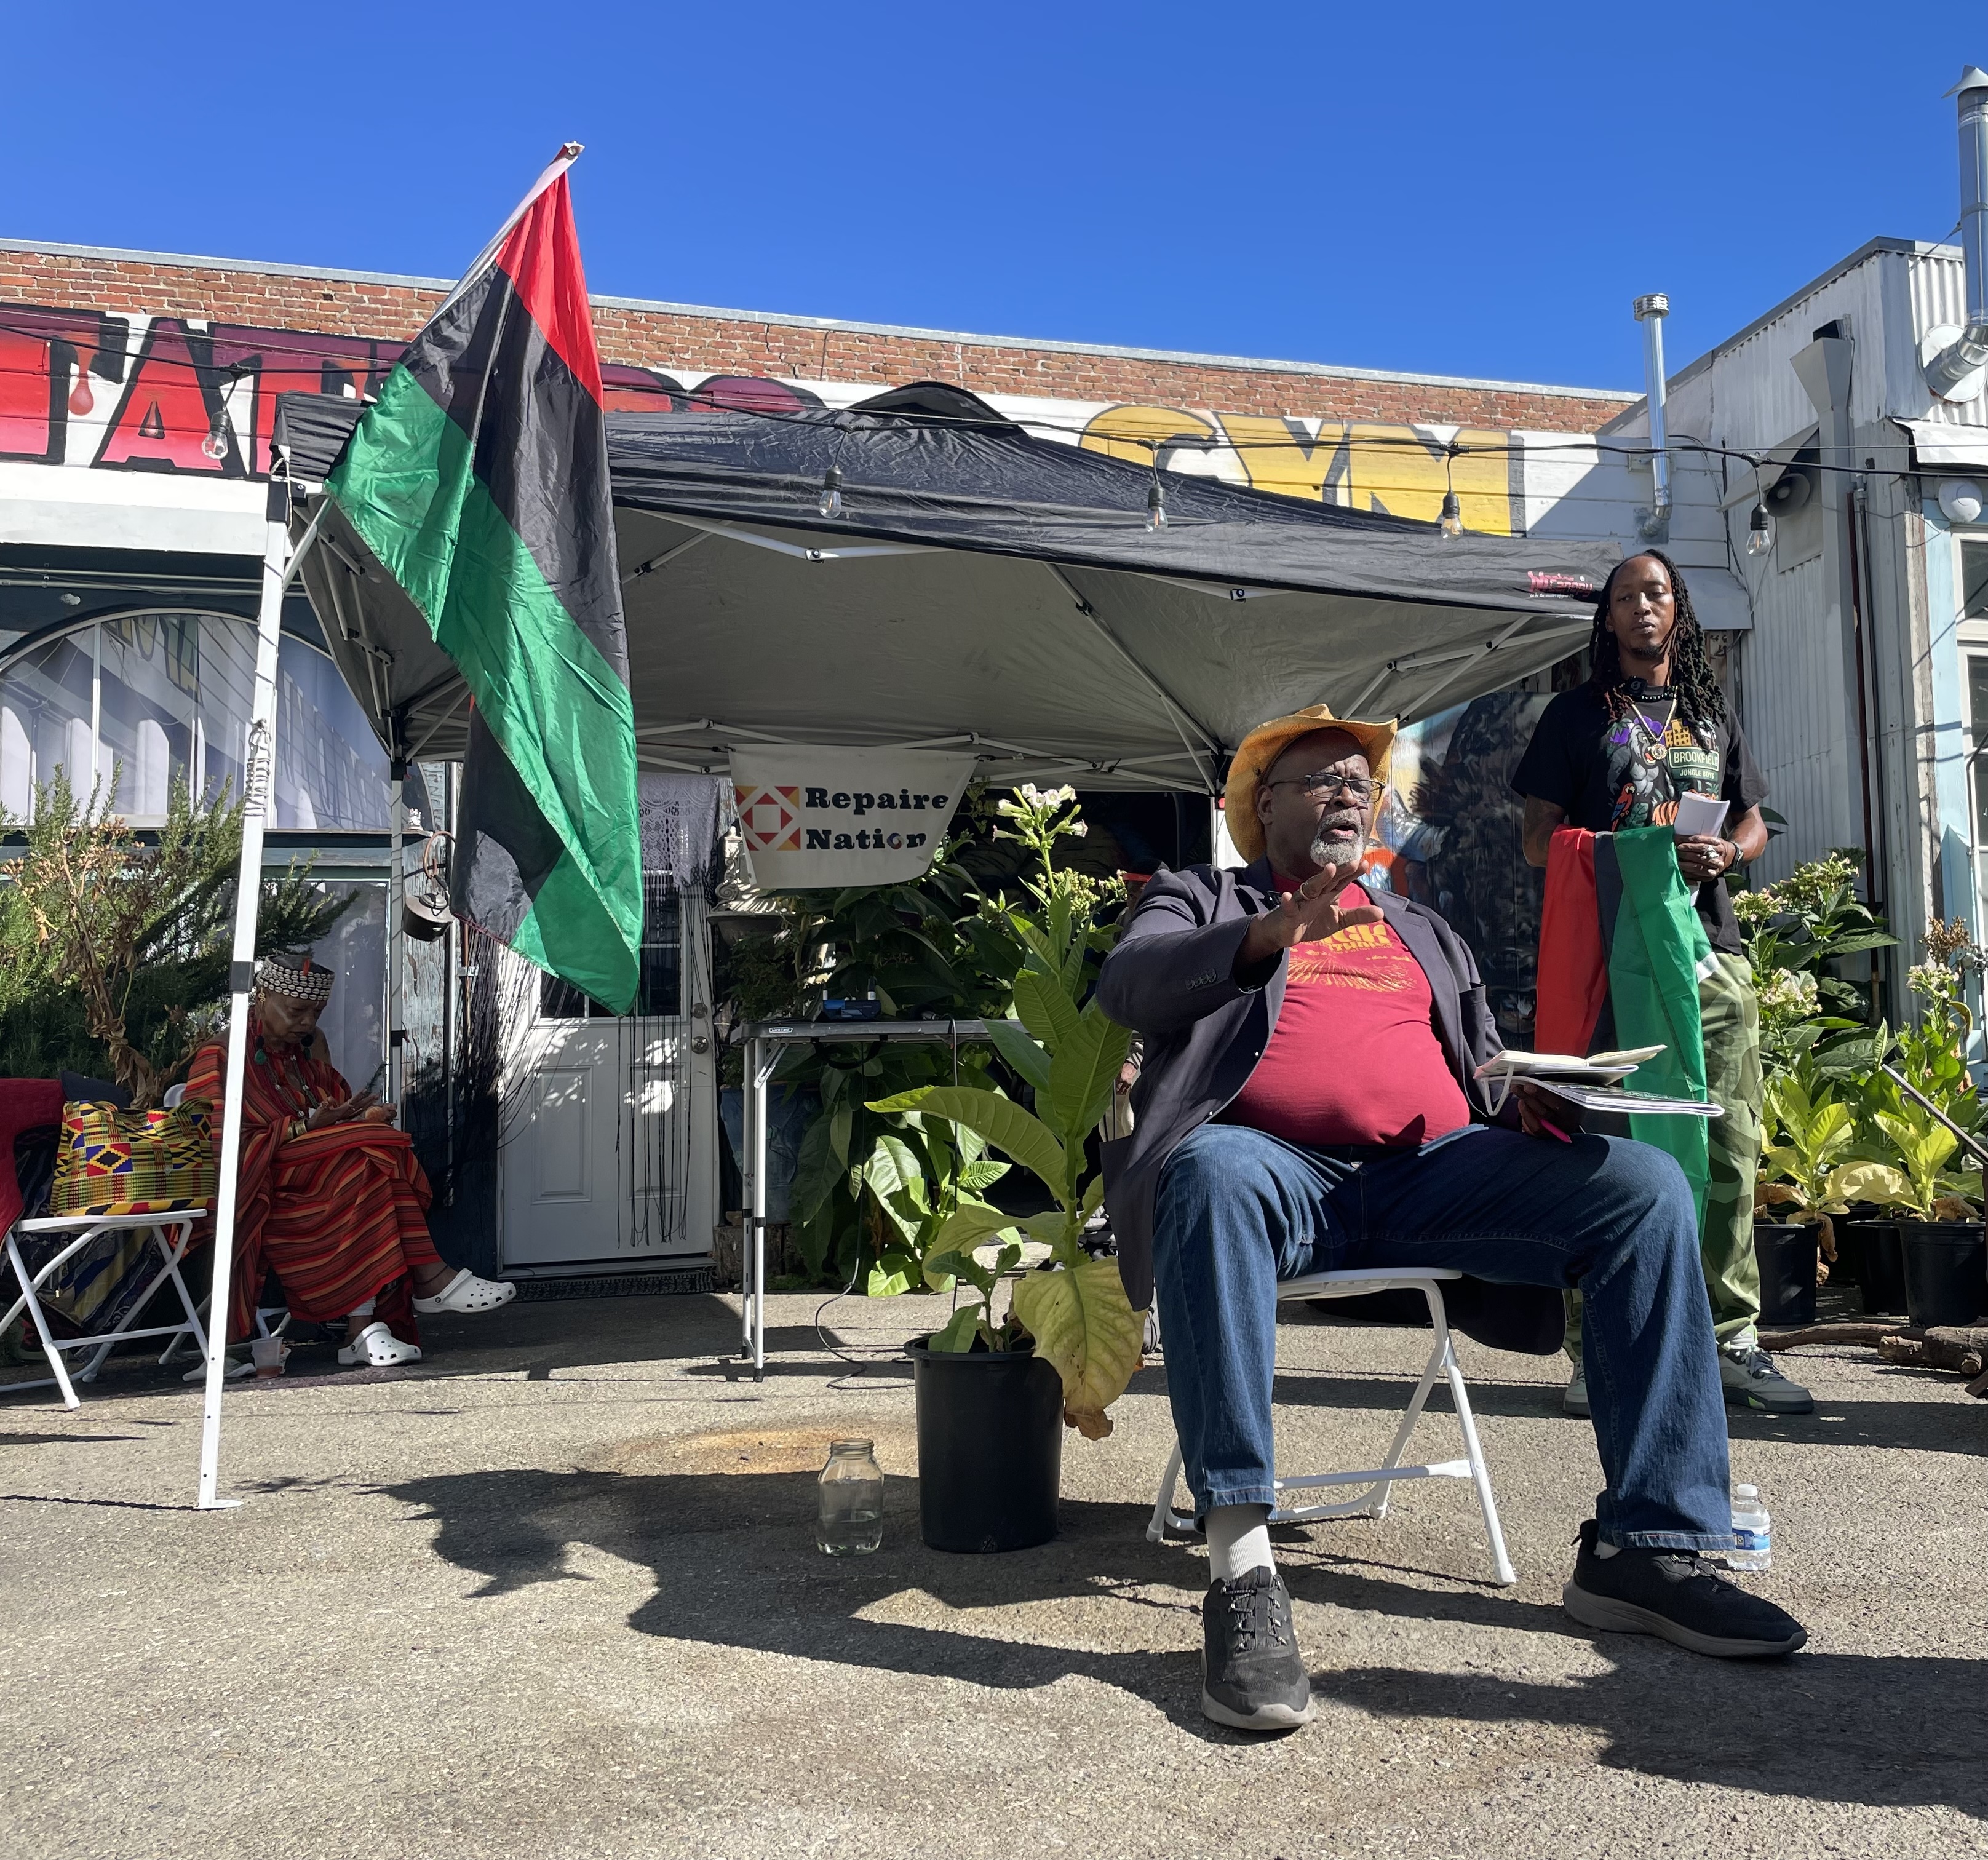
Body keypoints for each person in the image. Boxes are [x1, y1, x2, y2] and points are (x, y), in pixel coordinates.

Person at [1096, 704, 1806, 1735]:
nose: (1350, 792)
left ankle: (1644, 1546)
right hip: (1272, 1171)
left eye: (1361, 781)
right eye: (1323, 778)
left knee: (1642, 1190)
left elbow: (1474, 1064)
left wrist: (1526, 1098)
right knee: (1208, 1167)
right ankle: (1242, 1569)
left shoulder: (1420, 926)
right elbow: (1127, 985)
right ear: (1262, 807)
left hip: (1436, 1172)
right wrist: (1266, 931)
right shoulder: (1202, 895)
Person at [1511, 550, 1809, 1418]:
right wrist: (1631, 854)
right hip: (1614, 962)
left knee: (1731, 1147)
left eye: (1657, 592)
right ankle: (1593, 1344)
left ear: (1677, 610)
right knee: (1602, 1143)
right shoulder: (1572, 717)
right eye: (1625, 597)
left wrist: (1732, 852)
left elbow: (1754, 818)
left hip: (1713, 959)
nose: (1642, 607)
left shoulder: (1714, 717)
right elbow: (1538, 839)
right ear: (1606, 619)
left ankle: (1731, 1342)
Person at [185, 950, 514, 1367]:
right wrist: (305, 1128)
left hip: (329, 1181)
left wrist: (357, 1116)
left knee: (370, 1163)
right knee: (374, 1148)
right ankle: (429, 1279)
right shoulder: (220, 1055)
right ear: (263, 995)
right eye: (297, 1011)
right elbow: (213, 1144)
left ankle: (364, 1332)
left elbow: (332, 1109)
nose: (307, 1024)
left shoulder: (307, 1053)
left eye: (316, 1014)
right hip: (264, 1191)